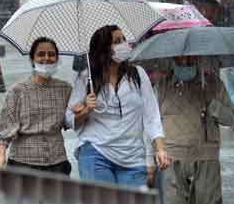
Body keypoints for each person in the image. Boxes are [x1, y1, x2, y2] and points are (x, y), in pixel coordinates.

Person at [66, 25, 169, 187]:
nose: (123, 44)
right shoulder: (87, 77)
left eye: (123, 40)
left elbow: (152, 116)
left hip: (133, 157)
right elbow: (70, 119)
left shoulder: (138, 74)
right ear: (104, 49)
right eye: (117, 41)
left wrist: (160, 149)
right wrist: (86, 110)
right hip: (96, 153)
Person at [157, 56, 234, 204]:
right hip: (173, 158)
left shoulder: (214, 84)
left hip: (206, 158)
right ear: (173, 60)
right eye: (180, 60)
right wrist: (152, 158)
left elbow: (231, 119)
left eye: (190, 60)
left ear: (198, 59)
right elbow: (152, 124)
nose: (185, 64)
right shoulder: (163, 86)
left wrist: (214, 106)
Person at [0, 37, 73, 174]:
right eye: (41, 54)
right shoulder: (18, 91)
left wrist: (86, 108)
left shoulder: (65, 89)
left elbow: (73, 121)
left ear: (57, 58)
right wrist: (0, 158)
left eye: (51, 54)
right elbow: (4, 131)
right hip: (23, 165)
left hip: (57, 164)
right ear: (32, 59)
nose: (46, 58)